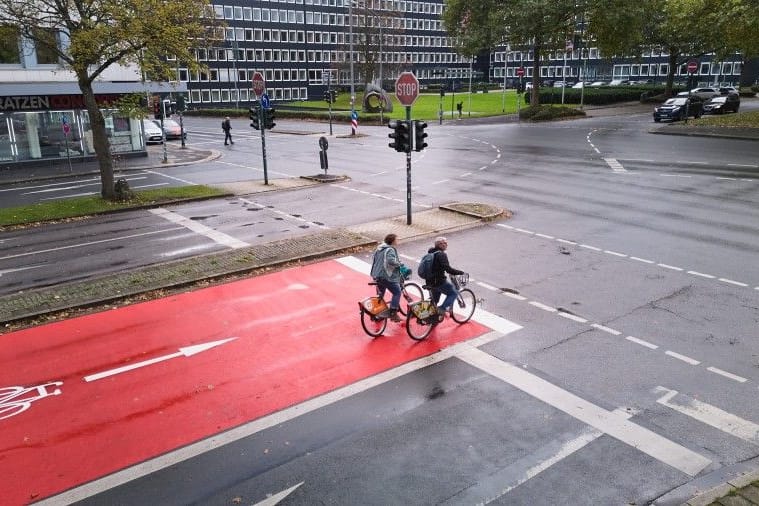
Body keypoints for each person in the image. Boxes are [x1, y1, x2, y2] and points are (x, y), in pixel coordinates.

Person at [424, 236, 465, 319]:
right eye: (445, 243)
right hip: (439, 281)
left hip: (429, 281)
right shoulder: (441, 255)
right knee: (453, 293)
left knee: (434, 300)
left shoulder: (430, 252)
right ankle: (442, 309)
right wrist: (460, 272)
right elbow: (448, 269)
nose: (447, 244)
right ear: (440, 244)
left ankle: (425, 315)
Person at [370, 233, 403, 322]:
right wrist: (399, 264)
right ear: (392, 241)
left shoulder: (380, 248)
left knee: (380, 295)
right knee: (397, 292)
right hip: (385, 276)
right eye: (397, 239)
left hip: (377, 275)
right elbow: (391, 261)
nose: (398, 241)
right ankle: (393, 312)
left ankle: (377, 314)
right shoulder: (390, 249)